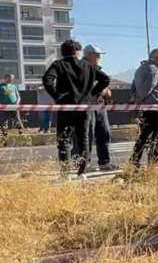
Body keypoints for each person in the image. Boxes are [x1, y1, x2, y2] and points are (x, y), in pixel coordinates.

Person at [42, 40, 110, 177]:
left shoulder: (59, 65)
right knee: (83, 139)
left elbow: (47, 79)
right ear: (77, 51)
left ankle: (65, 173)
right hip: (84, 108)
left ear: (62, 52)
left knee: (64, 140)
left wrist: (56, 96)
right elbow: (105, 79)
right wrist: (91, 94)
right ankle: (82, 171)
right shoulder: (88, 66)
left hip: (65, 107)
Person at [71, 44, 115, 171]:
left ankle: (104, 162)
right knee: (85, 135)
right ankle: (83, 164)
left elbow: (105, 88)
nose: (99, 57)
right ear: (89, 55)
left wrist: (105, 90)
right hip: (85, 106)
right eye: (97, 55)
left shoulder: (97, 69)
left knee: (104, 133)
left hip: (99, 106)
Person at [129, 48, 158, 167]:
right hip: (153, 108)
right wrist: (138, 99)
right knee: (154, 136)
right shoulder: (153, 69)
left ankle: (136, 160)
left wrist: (135, 99)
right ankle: (152, 162)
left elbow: (133, 87)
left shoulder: (140, 69)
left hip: (145, 108)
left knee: (144, 135)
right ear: (156, 57)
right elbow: (148, 87)